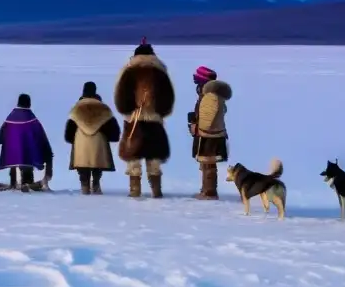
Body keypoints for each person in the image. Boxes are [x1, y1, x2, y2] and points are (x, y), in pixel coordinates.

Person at [113, 38, 175, 199]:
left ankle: (135, 189)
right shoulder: (160, 73)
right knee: (154, 156)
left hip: (134, 119)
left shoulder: (129, 72)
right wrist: (160, 112)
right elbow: (168, 98)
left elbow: (121, 97)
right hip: (154, 120)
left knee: (133, 155)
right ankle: (156, 190)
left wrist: (127, 110)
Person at [64, 81, 121, 195]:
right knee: (97, 164)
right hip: (99, 143)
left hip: (81, 143)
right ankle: (96, 183)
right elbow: (114, 131)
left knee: (83, 167)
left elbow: (69, 133)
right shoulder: (103, 109)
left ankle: (84, 185)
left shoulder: (76, 109)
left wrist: (73, 140)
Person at [188, 66, 231, 200]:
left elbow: (209, 118)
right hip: (213, 134)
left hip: (209, 135)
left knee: (208, 164)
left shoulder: (210, 96)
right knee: (206, 164)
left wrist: (198, 128)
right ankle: (206, 189)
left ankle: (209, 192)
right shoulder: (211, 95)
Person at [0, 94, 54, 189]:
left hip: (13, 156)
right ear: (29, 103)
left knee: (13, 161)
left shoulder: (10, 118)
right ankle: (27, 185)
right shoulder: (32, 118)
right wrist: (47, 150)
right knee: (27, 169)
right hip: (27, 158)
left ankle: (14, 183)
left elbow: (2, 132)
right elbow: (40, 135)